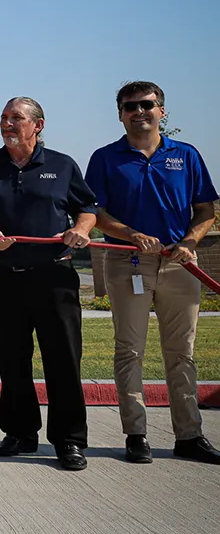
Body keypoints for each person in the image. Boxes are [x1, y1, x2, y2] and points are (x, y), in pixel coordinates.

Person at [85, 81, 218, 465]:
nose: (139, 111)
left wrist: (190, 241)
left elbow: (205, 210)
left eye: (147, 105)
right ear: (120, 114)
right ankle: (136, 434)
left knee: (182, 352)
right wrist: (130, 234)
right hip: (129, 262)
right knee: (130, 350)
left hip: (180, 264)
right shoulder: (106, 158)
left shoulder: (186, 155)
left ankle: (189, 436)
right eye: (130, 107)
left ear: (162, 111)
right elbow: (96, 213)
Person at [0, 98, 97, 470]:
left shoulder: (61, 164)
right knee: (12, 359)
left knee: (63, 358)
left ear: (37, 125)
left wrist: (80, 229)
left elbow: (87, 209)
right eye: (4, 118)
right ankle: (20, 433)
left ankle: (70, 440)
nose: (7, 124)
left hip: (53, 276)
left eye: (16, 118)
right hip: (1, 278)